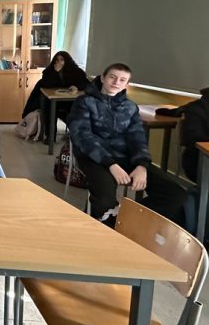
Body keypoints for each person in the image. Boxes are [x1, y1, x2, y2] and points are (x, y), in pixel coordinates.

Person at [68, 63, 150, 226]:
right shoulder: (84, 102)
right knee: (105, 197)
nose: (116, 82)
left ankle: (129, 219)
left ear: (127, 85)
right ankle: (106, 227)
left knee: (174, 195)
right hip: (94, 157)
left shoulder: (130, 107)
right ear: (102, 78)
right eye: (112, 77)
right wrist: (110, 164)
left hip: (124, 157)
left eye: (122, 80)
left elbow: (138, 137)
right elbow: (82, 137)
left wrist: (142, 165)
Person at [21, 51, 89, 139]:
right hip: (52, 100)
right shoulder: (49, 71)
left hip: (69, 100)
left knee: (77, 109)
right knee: (50, 107)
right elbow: (47, 84)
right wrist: (56, 73)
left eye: (62, 59)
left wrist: (77, 87)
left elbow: (86, 84)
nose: (59, 62)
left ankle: (77, 133)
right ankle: (50, 136)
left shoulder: (76, 71)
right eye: (57, 60)